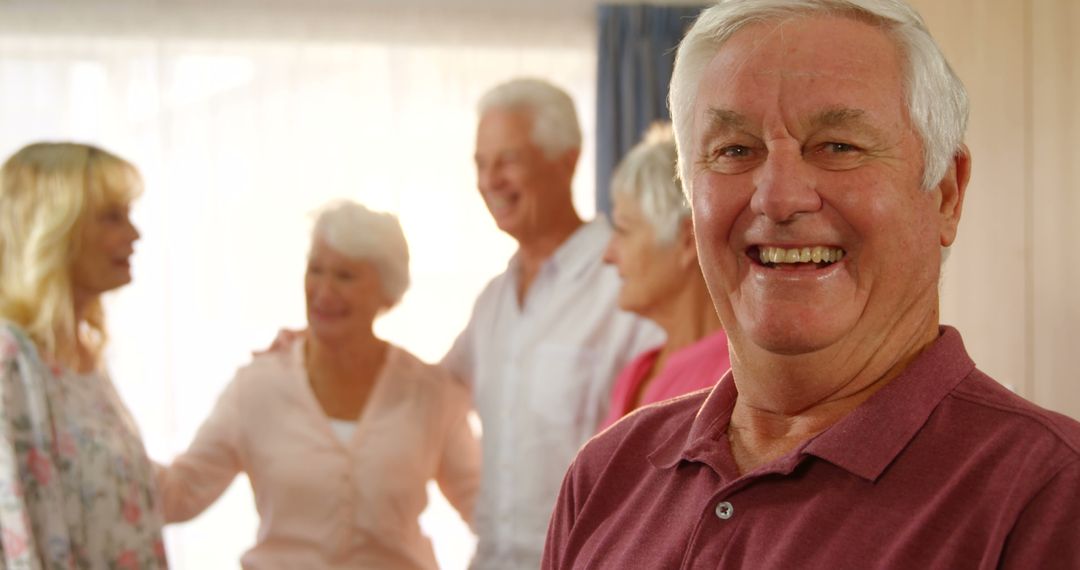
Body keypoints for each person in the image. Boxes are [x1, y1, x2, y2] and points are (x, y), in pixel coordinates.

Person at [543, 1, 1080, 568]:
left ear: (946, 193)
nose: (777, 198)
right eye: (734, 151)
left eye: (838, 147)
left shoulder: (1050, 496)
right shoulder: (605, 476)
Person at [156, 200, 480, 570]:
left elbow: (486, 512)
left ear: (387, 292)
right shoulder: (256, 388)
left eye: (345, 276)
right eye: (316, 271)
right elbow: (179, 495)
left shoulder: (430, 394)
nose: (323, 291)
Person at [441, 78, 662, 570]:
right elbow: (426, 394)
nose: (489, 180)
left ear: (567, 160)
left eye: (508, 160)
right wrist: (315, 349)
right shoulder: (493, 300)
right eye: (481, 163)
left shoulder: (626, 286)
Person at [0, 142, 168, 568]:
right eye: (113, 217)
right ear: (54, 226)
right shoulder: (10, 357)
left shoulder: (85, 357)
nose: (134, 235)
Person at [598, 123, 729, 432]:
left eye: (623, 230)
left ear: (687, 240)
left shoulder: (738, 379)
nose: (607, 254)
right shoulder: (636, 372)